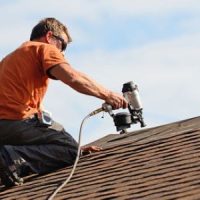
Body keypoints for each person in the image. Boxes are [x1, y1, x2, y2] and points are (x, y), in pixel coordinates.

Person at [0, 18, 128, 187]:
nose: (62, 53)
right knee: (69, 150)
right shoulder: (44, 49)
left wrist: (66, 149)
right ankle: (8, 158)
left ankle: (10, 159)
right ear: (49, 36)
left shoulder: (11, 59)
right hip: (16, 122)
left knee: (68, 148)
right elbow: (73, 77)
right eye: (63, 46)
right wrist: (108, 94)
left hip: (6, 129)